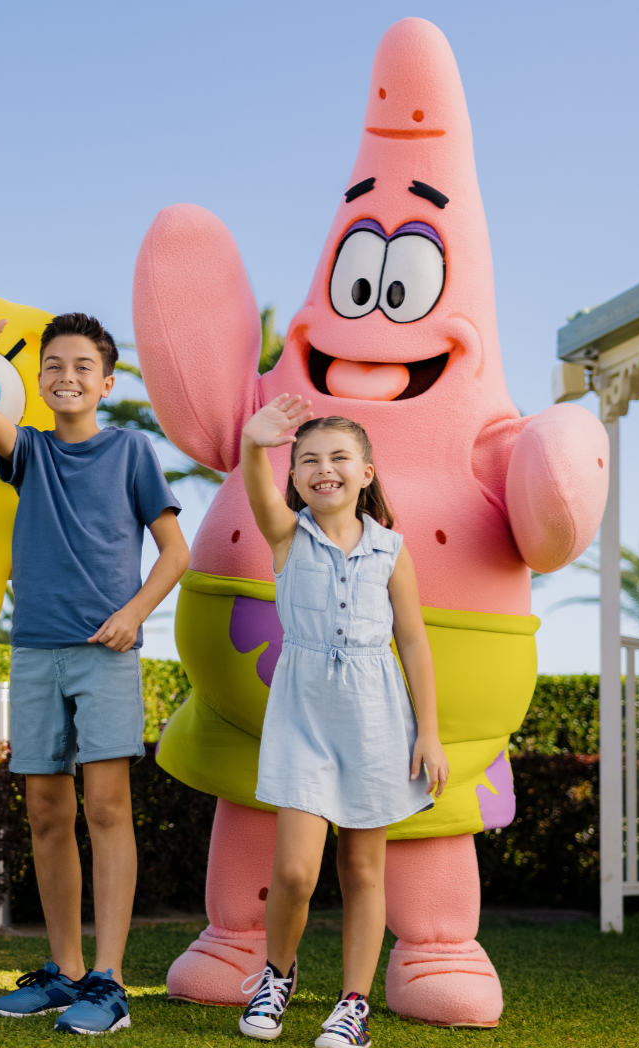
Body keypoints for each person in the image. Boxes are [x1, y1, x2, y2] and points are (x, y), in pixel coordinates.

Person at [0, 284, 190, 1035]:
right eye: (54, 365)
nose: (67, 375)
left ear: (107, 383)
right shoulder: (32, 451)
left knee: (107, 808)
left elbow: (176, 551)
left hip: (106, 654)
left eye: (83, 365)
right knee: (47, 812)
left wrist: (132, 617)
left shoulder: (132, 450)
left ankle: (109, 984)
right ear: (42, 379)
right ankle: (66, 972)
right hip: (37, 652)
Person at [235, 399, 449, 1046]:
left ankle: (352, 1004)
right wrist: (253, 445)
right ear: (295, 477)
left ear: (366, 472)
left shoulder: (392, 551)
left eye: (338, 458)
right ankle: (277, 975)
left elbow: (413, 642)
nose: (322, 469)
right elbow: (257, 486)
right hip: (303, 715)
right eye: (307, 461)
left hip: (376, 718)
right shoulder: (285, 536)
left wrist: (429, 731)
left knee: (362, 870)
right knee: (296, 872)